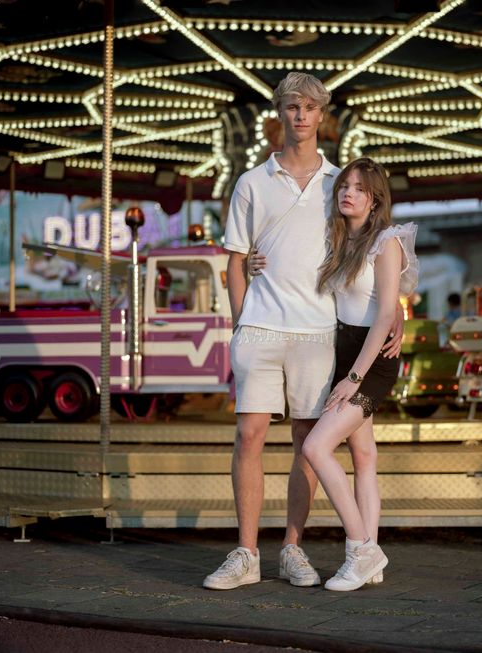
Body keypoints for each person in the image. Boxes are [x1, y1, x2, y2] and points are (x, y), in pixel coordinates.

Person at [203, 73, 402, 591]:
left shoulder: (340, 185)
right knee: (249, 436)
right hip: (261, 330)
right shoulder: (251, 182)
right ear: (280, 113)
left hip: (318, 332)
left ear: (322, 116)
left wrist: (395, 308)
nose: (301, 116)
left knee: (306, 443)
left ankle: (291, 547)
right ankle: (246, 553)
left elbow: (373, 251)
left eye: (310, 107)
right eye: (292, 107)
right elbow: (235, 260)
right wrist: (239, 324)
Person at [301, 157, 418, 592]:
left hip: (371, 361)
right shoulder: (339, 241)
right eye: (344, 186)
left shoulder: (386, 240)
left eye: (360, 188)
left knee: (316, 446)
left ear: (375, 199)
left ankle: (361, 548)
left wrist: (354, 377)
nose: (348, 193)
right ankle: (371, 555)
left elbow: (387, 308)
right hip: (344, 349)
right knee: (364, 458)